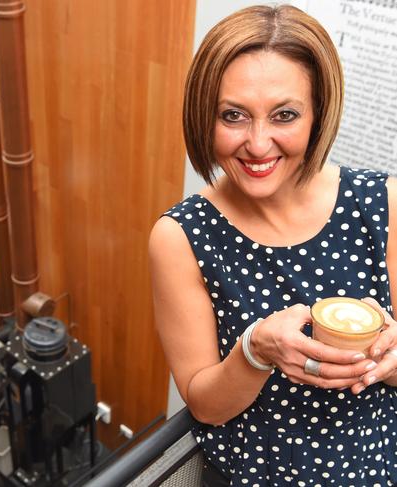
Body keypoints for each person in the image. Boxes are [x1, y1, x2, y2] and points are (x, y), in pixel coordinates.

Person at [149, 4, 397, 486]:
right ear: (204, 116)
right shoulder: (181, 237)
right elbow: (204, 404)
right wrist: (255, 351)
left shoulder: (383, 203)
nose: (258, 144)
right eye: (233, 116)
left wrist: (390, 362)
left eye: (284, 115)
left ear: (318, 112)